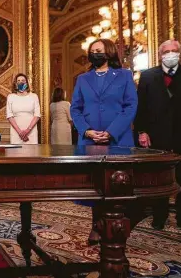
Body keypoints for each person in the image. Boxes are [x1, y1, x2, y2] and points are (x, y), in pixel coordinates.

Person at [70, 38, 138, 244]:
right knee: (95, 184)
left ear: (108, 52)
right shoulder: (83, 79)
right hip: (90, 140)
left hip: (118, 139)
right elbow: (75, 108)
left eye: (98, 50)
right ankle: (96, 227)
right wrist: (87, 131)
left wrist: (111, 132)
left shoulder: (124, 76)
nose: (94, 54)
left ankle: (117, 226)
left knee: (117, 184)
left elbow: (130, 106)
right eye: (92, 52)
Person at [134, 39, 181, 230]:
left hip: (179, 132)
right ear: (160, 55)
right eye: (166, 51)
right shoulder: (148, 76)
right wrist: (142, 131)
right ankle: (159, 216)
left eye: (174, 51)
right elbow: (141, 107)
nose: (170, 54)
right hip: (156, 135)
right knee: (159, 178)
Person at [6, 73, 41, 144]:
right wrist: (19, 132)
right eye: (18, 81)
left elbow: (37, 115)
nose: (20, 82)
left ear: (27, 83)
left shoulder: (34, 96)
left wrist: (28, 130)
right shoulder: (11, 96)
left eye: (23, 80)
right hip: (16, 131)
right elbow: (9, 115)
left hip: (31, 131)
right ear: (15, 84)